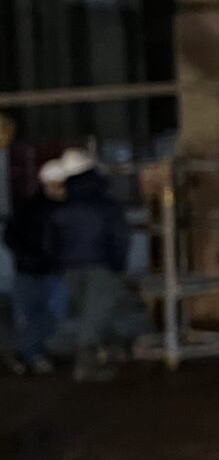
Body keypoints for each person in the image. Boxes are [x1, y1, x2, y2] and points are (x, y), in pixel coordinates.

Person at [47, 150, 139, 381]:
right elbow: (120, 237)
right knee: (97, 313)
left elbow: (50, 241)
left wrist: (58, 262)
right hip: (102, 265)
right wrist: (118, 265)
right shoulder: (106, 205)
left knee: (91, 313)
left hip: (71, 267)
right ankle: (89, 364)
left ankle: (115, 348)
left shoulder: (61, 207)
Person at [2, 158, 68, 375]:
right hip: (36, 269)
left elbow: (10, 235)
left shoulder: (30, 206)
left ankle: (27, 353)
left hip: (38, 269)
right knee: (40, 315)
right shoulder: (35, 208)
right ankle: (32, 354)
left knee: (44, 315)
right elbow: (11, 236)